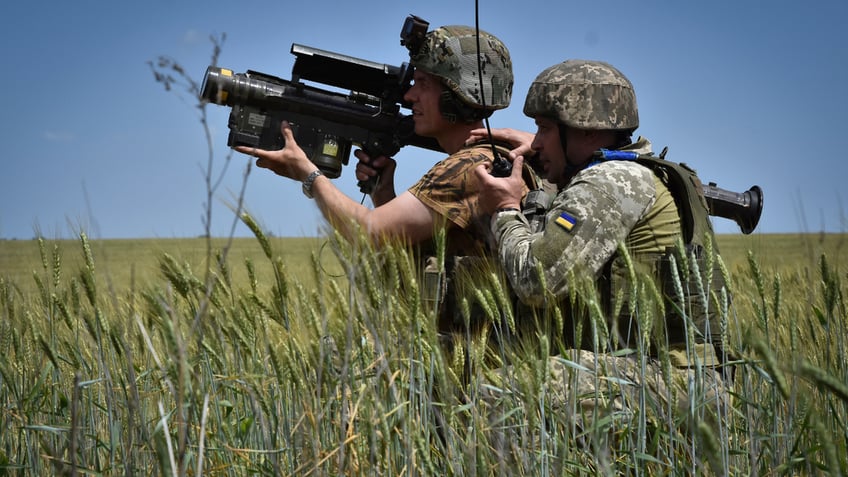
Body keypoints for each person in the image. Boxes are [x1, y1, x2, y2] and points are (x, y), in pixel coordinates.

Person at [471, 59, 731, 432]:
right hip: (672, 376)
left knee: (499, 393)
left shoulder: (610, 182)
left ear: (589, 132)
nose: (536, 142)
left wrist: (506, 209)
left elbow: (536, 281)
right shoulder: (632, 170)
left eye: (544, 129)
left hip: (672, 382)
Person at [236, 24, 527, 332]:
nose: (411, 95)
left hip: (476, 370)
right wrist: (382, 194)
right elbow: (414, 255)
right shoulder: (488, 160)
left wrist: (308, 175)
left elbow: (371, 235)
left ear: (456, 96)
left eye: (423, 84)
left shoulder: (471, 168)